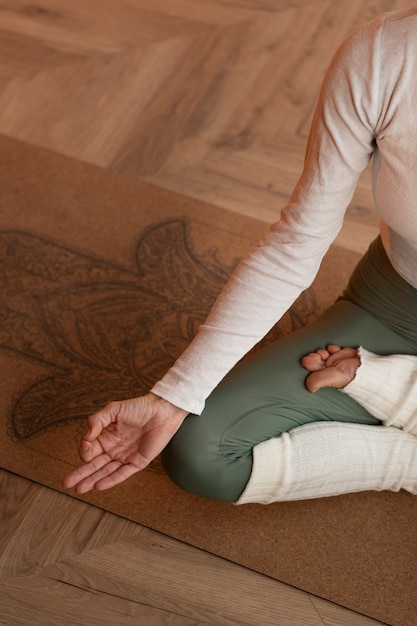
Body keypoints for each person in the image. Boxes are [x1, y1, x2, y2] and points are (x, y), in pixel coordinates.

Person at [62, 6, 417, 504]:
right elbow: (297, 242)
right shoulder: (383, 56)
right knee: (201, 450)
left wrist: (387, 382)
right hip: (394, 305)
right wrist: (175, 396)